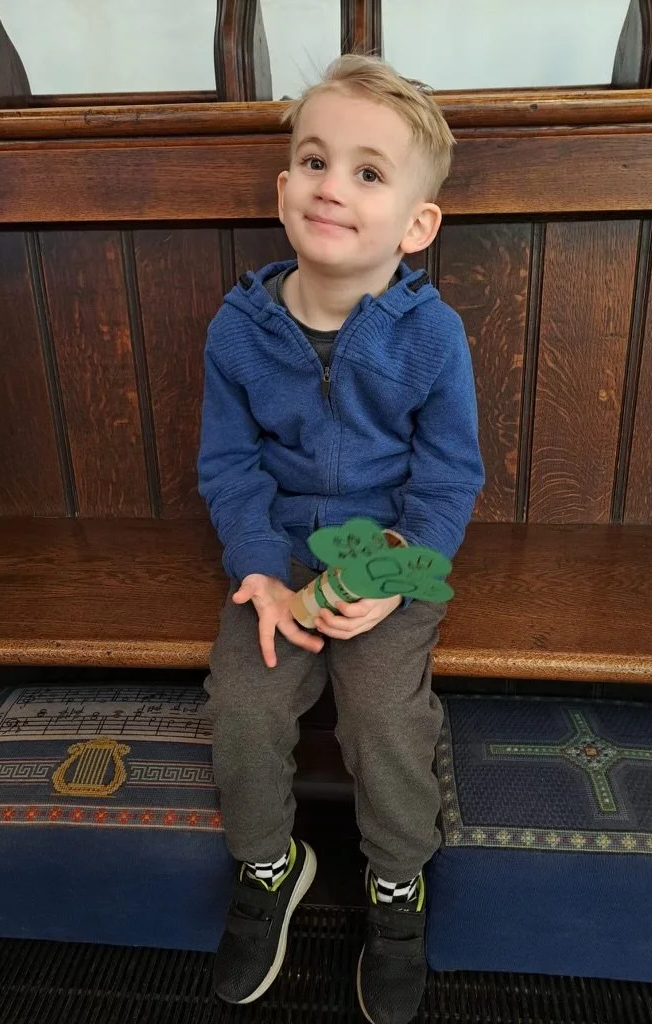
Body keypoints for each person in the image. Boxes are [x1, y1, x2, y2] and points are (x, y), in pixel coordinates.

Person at [198, 53, 484, 1024]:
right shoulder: (238, 329)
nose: (331, 186)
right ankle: (269, 864)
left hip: (393, 554)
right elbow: (229, 468)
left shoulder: (432, 336)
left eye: (367, 172)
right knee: (243, 703)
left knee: (384, 718)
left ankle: (396, 881)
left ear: (416, 225)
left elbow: (448, 477)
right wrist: (260, 572)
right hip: (280, 555)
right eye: (315, 161)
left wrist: (397, 574)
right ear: (283, 189)